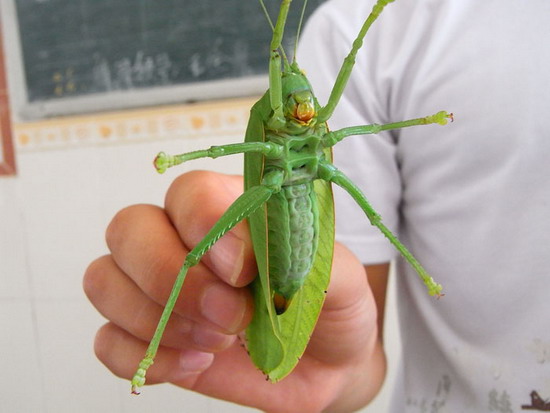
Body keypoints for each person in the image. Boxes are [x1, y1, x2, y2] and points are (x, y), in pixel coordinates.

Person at [84, 0, 550, 411]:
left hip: (309, 206)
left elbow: (353, 124)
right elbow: (228, 143)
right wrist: (181, 158)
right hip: (273, 198)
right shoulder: (369, 35)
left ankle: (420, 274)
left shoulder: (348, 78)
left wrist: (423, 116)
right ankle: (156, 358)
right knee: (194, 255)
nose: (305, 102)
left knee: (362, 203)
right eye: (293, 93)